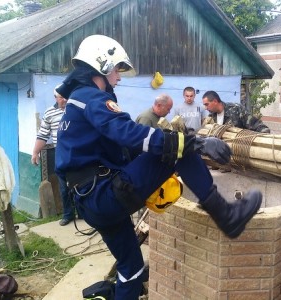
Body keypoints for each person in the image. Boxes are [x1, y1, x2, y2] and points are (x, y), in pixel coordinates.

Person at [55, 35, 262, 299]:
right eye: (117, 69)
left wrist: (149, 167)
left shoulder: (76, 102)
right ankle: (227, 217)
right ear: (102, 65)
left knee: (131, 268)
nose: (118, 77)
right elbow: (128, 133)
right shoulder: (90, 97)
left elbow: (123, 148)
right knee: (178, 151)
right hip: (102, 195)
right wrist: (195, 144)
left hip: (90, 201)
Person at [31, 85, 74, 226]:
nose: (65, 100)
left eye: (67, 96)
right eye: (61, 97)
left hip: (77, 152)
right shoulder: (49, 113)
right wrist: (35, 152)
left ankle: (84, 213)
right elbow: (43, 135)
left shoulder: (75, 109)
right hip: (60, 153)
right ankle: (68, 215)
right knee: (63, 186)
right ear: (55, 98)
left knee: (81, 183)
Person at [201, 90, 270, 133]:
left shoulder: (236, 109)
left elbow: (256, 125)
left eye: (207, 104)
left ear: (215, 101)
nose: (206, 108)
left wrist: (264, 136)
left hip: (239, 151)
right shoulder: (211, 117)